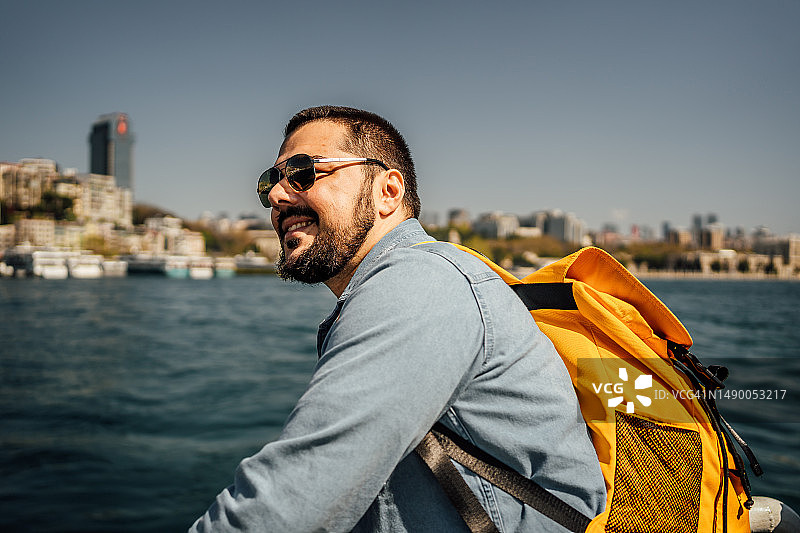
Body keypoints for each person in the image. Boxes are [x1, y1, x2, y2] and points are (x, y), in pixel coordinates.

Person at [190, 106, 606, 532]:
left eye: (302, 173)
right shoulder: (402, 285)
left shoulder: (420, 281)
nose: (278, 196)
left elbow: (300, 494)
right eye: (270, 183)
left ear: (387, 191)